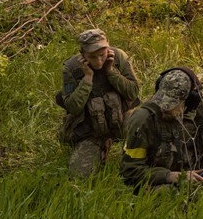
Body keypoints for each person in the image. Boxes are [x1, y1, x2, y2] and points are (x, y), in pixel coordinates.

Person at [120, 67, 203, 192]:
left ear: (190, 101)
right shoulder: (143, 120)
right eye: (163, 101)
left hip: (197, 183)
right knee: (170, 194)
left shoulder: (201, 110)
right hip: (161, 185)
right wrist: (170, 176)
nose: (166, 108)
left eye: (173, 104)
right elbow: (131, 172)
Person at [56, 28, 140, 178]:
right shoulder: (71, 68)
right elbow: (73, 107)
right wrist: (87, 78)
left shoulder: (119, 57)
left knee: (141, 128)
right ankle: (101, 147)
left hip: (120, 118)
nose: (98, 61)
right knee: (78, 176)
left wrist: (111, 71)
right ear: (82, 54)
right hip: (90, 129)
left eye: (102, 55)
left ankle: (133, 163)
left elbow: (133, 92)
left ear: (108, 48)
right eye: (92, 57)